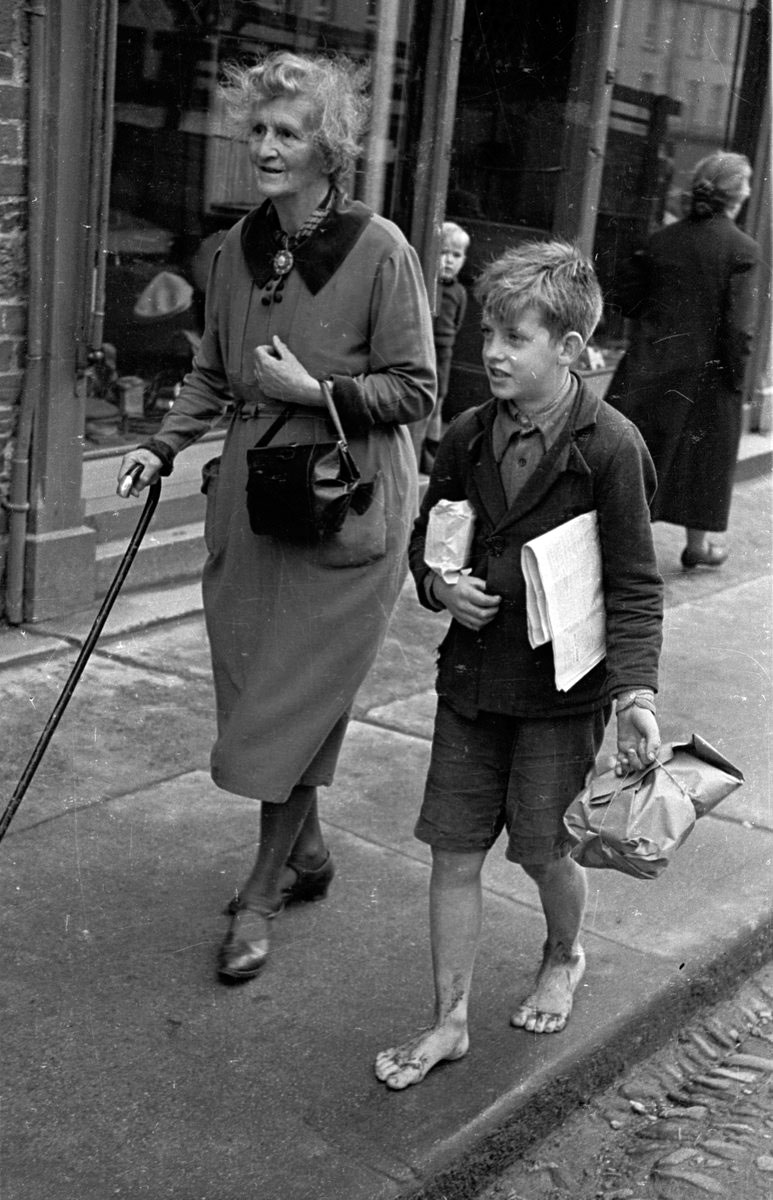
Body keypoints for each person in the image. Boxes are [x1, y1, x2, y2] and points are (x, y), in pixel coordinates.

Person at [116, 49, 435, 982]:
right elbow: (213, 373)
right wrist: (161, 445)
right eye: (255, 128)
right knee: (267, 700)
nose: (263, 145)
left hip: (346, 505)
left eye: (285, 131)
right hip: (254, 509)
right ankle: (310, 852)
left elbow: (415, 389)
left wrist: (318, 388)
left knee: (293, 705)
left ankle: (259, 893)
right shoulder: (233, 250)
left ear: (327, 146)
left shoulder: (382, 250)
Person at [374, 241, 663, 1090]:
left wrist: (635, 694)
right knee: (452, 851)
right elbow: (432, 547)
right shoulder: (466, 434)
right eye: (489, 333)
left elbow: (637, 589)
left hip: (559, 697)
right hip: (469, 688)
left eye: (515, 337)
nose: (492, 351)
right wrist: (438, 590)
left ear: (570, 351)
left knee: (543, 849)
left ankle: (563, 953)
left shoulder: (610, 448)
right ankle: (447, 1021)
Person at [606, 151, 759, 569]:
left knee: (640, 456)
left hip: (649, 366)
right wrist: (737, 376)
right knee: (704, 461)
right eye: (746, 183)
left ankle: (625, 548)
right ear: (736, 195)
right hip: (709, 375)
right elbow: (740, 328)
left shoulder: (661, 240)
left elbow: (626, 296)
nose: (748, 189)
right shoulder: (743, 249)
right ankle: (698, 546)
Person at [411, 221, 470, 472]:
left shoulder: (459, 293)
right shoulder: (424, 286)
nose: (448, 261)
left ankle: (431, 453)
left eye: (456, 255)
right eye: (443, 253)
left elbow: (457, 323)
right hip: (420, 348)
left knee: (437, 400)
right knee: (421, 402)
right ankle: (415, 452)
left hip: (443, 353)